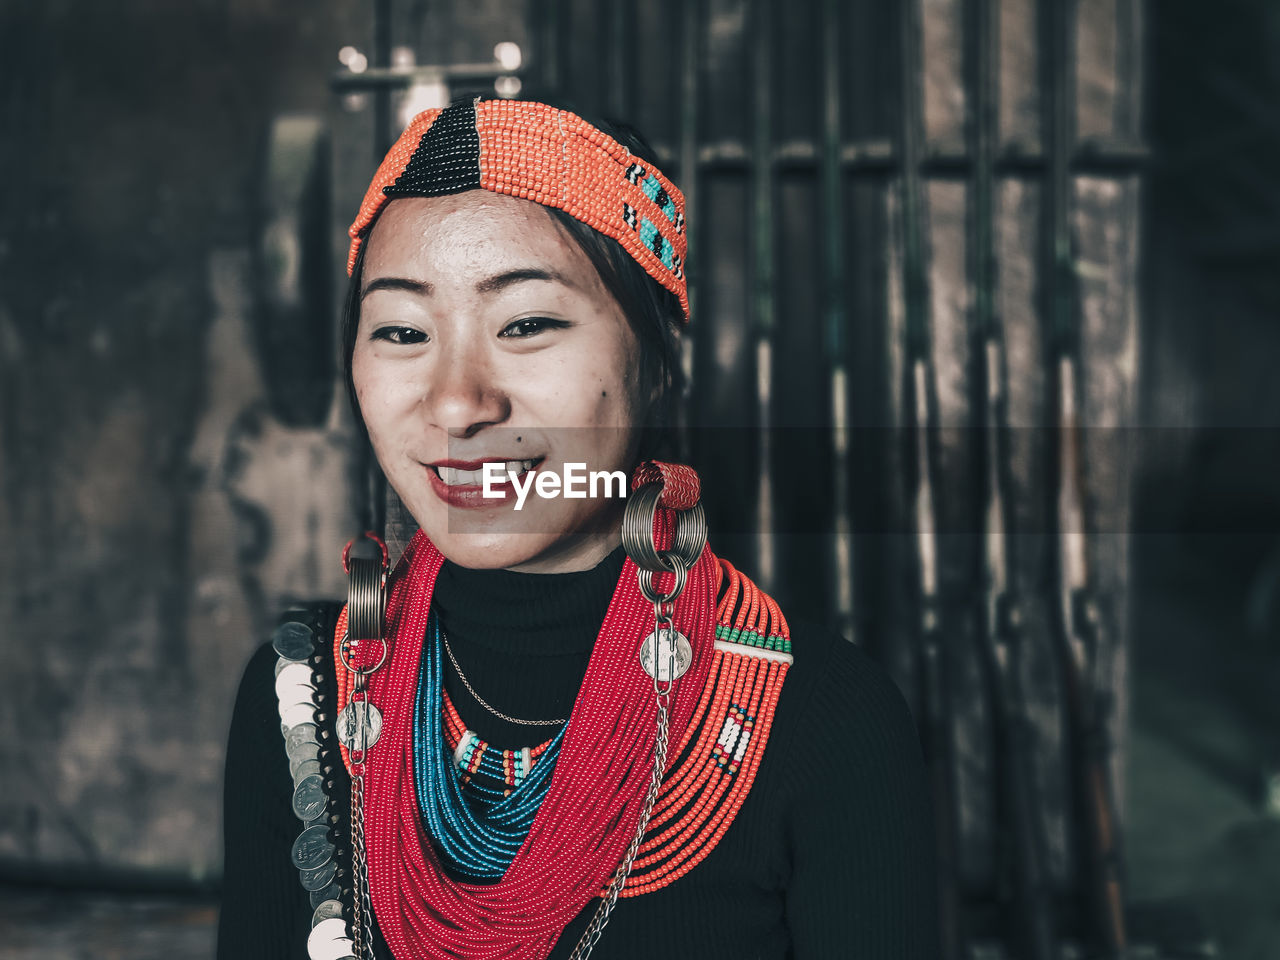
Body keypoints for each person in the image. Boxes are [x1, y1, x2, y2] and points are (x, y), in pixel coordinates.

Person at [218, 96, 938, 960]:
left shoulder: (822, 724)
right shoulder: (302, 701)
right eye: (403, 331)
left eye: (527, 323)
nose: (457, 403)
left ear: (660, 359)